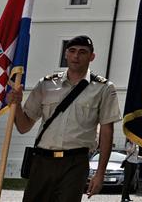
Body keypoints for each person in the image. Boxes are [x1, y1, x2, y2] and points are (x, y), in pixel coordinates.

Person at [7, 34, 121, 201]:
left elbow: (106, 132)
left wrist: (100, 173)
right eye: (72, 51)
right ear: (66, 54)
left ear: (92, 56)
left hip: (75, 163)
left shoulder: (104, 88)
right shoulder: (45, 84)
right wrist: (15, 105)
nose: (76, 56)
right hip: (42, 161)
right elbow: (23, 127)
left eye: (83, 52)